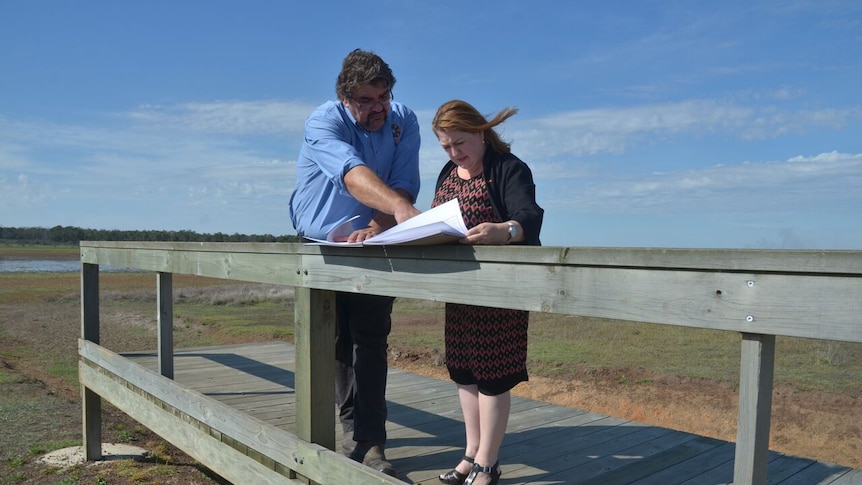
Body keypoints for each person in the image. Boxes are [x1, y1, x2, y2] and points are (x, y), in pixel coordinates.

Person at [289, 48, 421, 478]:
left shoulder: (404, 120)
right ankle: (337, 435)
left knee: (370, 337)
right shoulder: (323, 122)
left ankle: (369, 441)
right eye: (365, 101)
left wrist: (383, 221)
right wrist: (400, 209)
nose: (377, 108)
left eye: (382, 96)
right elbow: (351, 171)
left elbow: (403, 181)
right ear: (346, 98)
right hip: (320, 245)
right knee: (333, 338)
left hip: (376, 239)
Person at [430, 100, 543, 485]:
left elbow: (529, 216)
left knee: (493, 376)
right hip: (460, 291)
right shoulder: (448, 172)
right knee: (463, 372)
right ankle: (470, 455)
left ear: (480, 132)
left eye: (459, 143)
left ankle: (488, 465)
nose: (453, 153)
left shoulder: (509, 168)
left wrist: (505, 230)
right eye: (446, 146)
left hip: (499, 294)